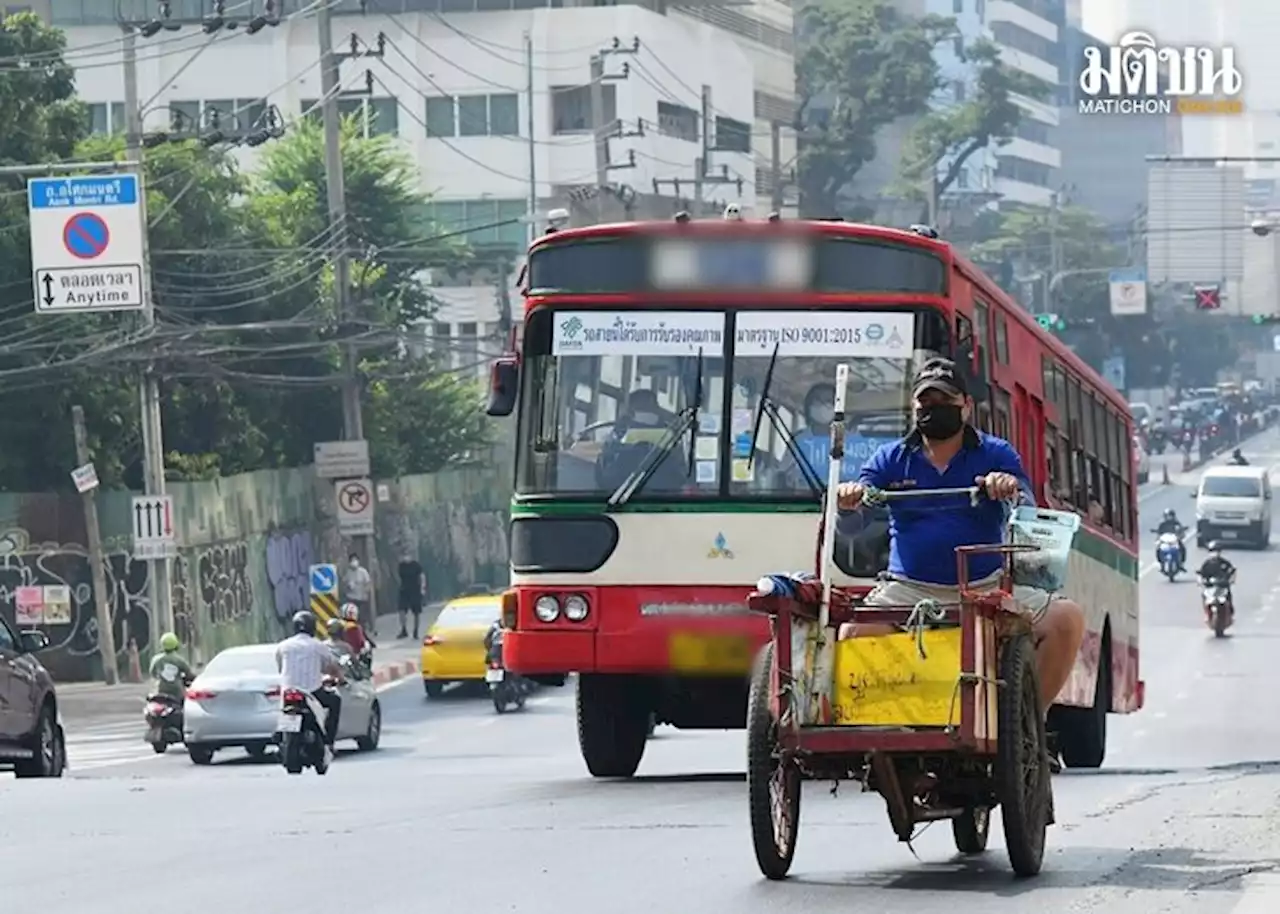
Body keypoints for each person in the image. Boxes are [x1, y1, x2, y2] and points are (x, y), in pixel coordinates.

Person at [834, 358, 1086, 771]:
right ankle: (891, 735)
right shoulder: (890, 459)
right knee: (853, 634)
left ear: (965, 405)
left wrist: (1005, 488)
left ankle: (1027, 728)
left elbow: (1025, 502)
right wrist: (849, 501)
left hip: (986, 586)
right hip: (909, 588)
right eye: (924, 401)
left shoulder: (995, 452)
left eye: (943, 399)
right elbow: (856, 520)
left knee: (1067, 619)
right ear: (913, 409)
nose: (933, 408)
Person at [275, 611, 344, 766]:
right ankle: (329, 742)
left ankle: (279, 734)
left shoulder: (283, 646)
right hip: (312, 691)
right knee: (335, 700)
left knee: (281, 708)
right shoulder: (318, 646)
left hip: (288, 690)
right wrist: (340, 678)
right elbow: (331, 666)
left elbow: (280, 668)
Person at [1196, 542, 1237, 626]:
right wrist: (1200, 581)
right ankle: (1207, 615)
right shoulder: (1207, 564)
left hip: (1222, 587)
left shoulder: (1224, 563)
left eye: (1216, 551)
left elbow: (1232, 572)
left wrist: (1231, 580)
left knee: (1228, 598)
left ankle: (1230, 614)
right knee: (1204, 596)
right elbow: (1200, 574)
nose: (1214, 553)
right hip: (1210, 587)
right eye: (1212, 551)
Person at [148, 631, 194, 701]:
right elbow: (189, 674)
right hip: (177, 692)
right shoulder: (179, 660)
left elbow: (152, 673)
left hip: (160, 690)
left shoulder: (156, 659)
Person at [343, 553, 374, 635]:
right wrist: (348, 586)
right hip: (352, 598)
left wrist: (365, 592)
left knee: (362, 617)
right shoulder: (348, 573)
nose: (354, 562)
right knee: (353, 618)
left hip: (362, 598)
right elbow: (344, 585)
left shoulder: (363, 572)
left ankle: (363, 633)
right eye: (352, 561)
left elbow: (368, 583)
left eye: (355, 560)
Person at [397, 552, 425, 640]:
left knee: (416, 612)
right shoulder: (401, 566)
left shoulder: (416, 565)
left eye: (407, 555)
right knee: (401, 610)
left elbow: (422, 576)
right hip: (404, 590)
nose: (405, 557)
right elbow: (399, 577)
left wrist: (422, 587)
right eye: (404, 555)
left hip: (415, 590)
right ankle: (403, 629)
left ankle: (415, 631)